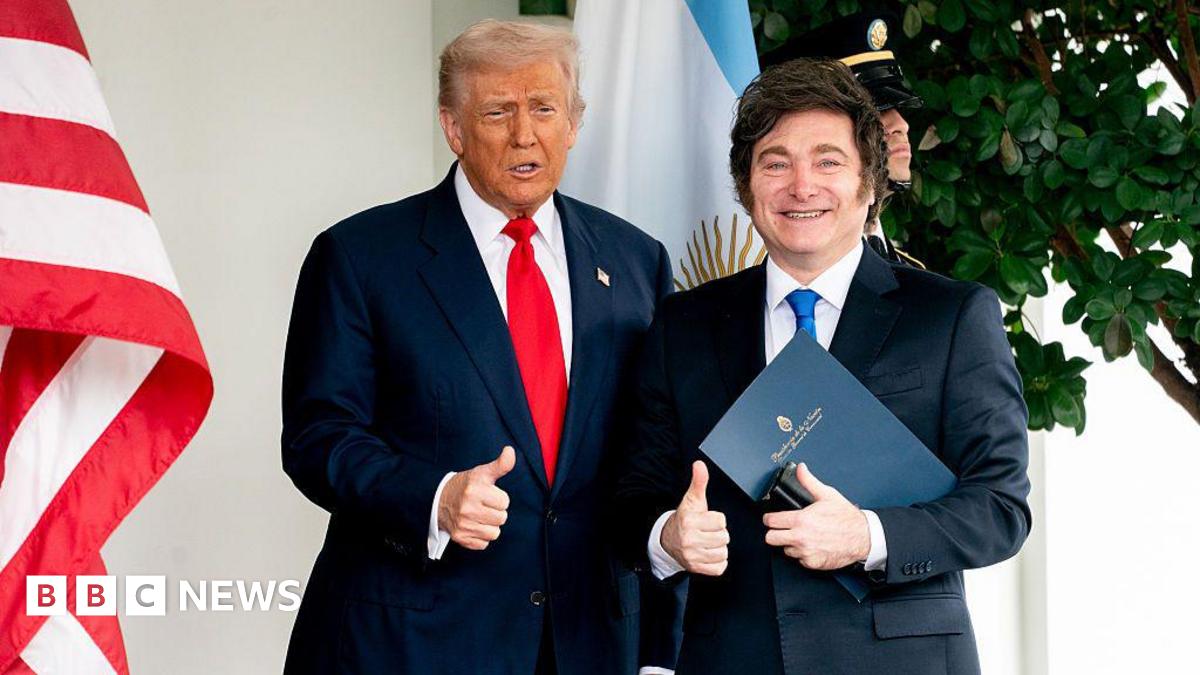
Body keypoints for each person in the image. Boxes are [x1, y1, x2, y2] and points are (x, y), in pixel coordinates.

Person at [613, 59, 1030, 674]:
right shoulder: (685, 326)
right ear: (747, 186)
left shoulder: (952, 317)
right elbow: (630, 499)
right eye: (776, 163)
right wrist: (666, 537)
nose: (801, 186)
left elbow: (1000, 508)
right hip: (732, 657)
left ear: (869, 183)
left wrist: (867, 535)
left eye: (828, 161)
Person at [280, 19, 672, 674]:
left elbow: (654, 453)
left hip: (592, 643)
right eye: (498, 112)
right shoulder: (359, 257)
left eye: (544, 108)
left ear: (574, 123)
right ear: (453, 128)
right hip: (414, 644)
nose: (526, 134)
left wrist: (662, 642)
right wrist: (433, 496)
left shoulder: (636, 260)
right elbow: (319, 436)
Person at [765, 11, 925, 267]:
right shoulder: (773, 265)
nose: (900, 125)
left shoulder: (911, 274)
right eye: (872, 113)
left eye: (896, 108)